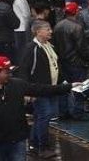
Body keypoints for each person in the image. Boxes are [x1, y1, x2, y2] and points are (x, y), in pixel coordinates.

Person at [0, 55, 72, 161]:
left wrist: (68, 87)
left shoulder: (17, 84)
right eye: (7, 72)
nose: (10, 75)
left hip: (17, 140)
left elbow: (41, 89)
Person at [18, 20, 62, 155]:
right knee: (44, 115)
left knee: (41, 116)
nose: (51, 31)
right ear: (38, 31)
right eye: (47, 29)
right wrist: (27, 91)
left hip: (50, 88)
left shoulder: (48, 46)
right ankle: (42, 147)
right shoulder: (32, 48)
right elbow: (25, 70)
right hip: (39, 90)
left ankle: (34, 144)